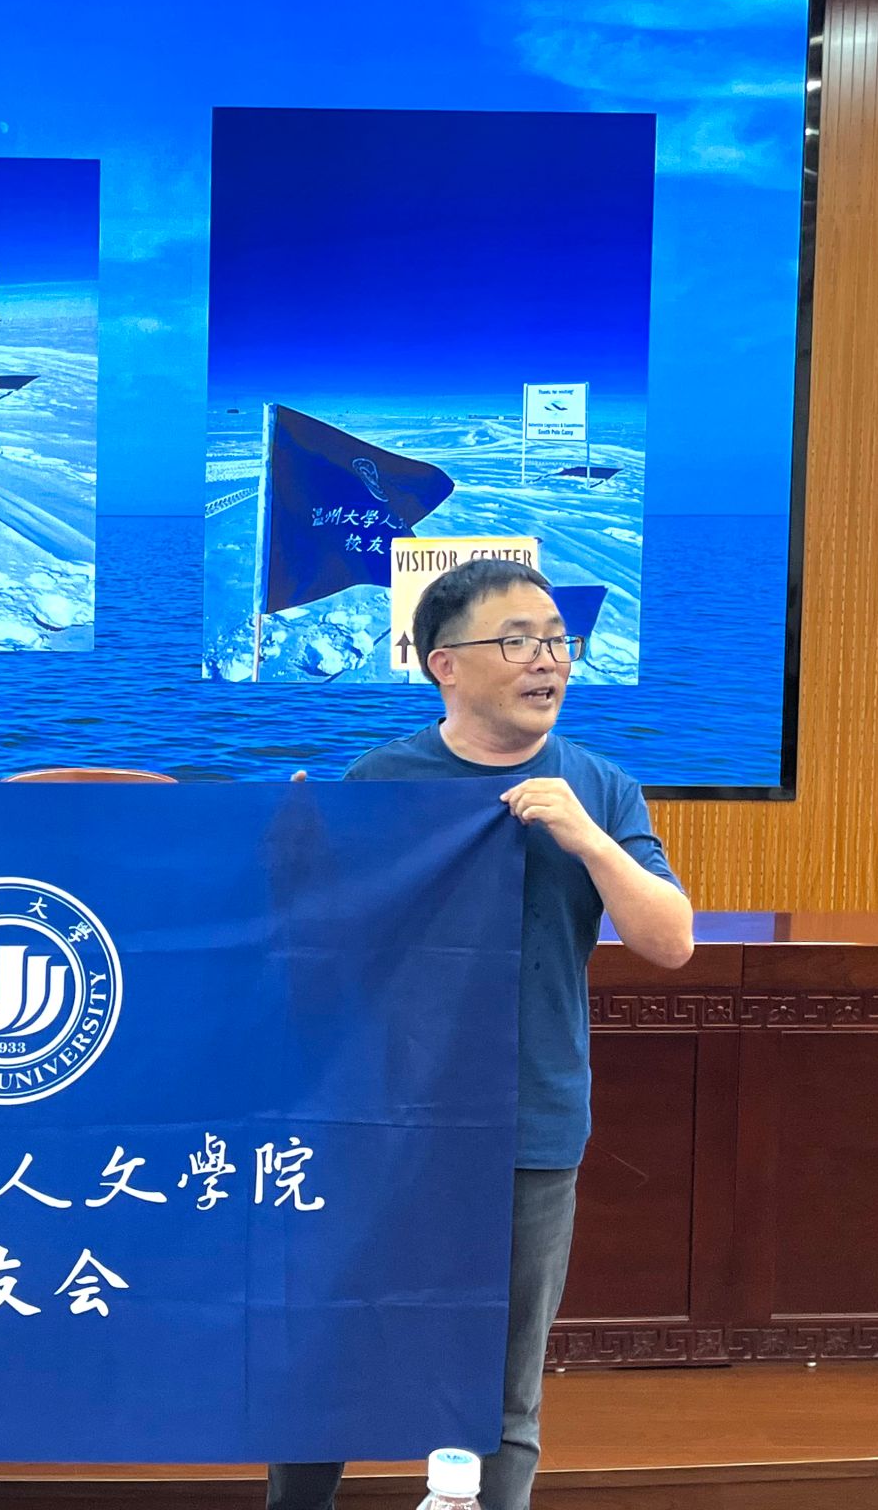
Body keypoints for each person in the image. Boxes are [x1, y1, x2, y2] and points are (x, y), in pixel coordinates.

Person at [269, 559, 693, 1510]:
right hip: (383, 1125)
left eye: (557, 640)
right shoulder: (381, 781)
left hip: (528, 1125)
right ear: (444, 665)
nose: (547, 660)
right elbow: (321, 954)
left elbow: (671, 941)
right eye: (517, 640)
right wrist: (293, 862)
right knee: (330, 1354)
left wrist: (587, 839)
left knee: (503, 1389)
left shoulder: (600, 787)